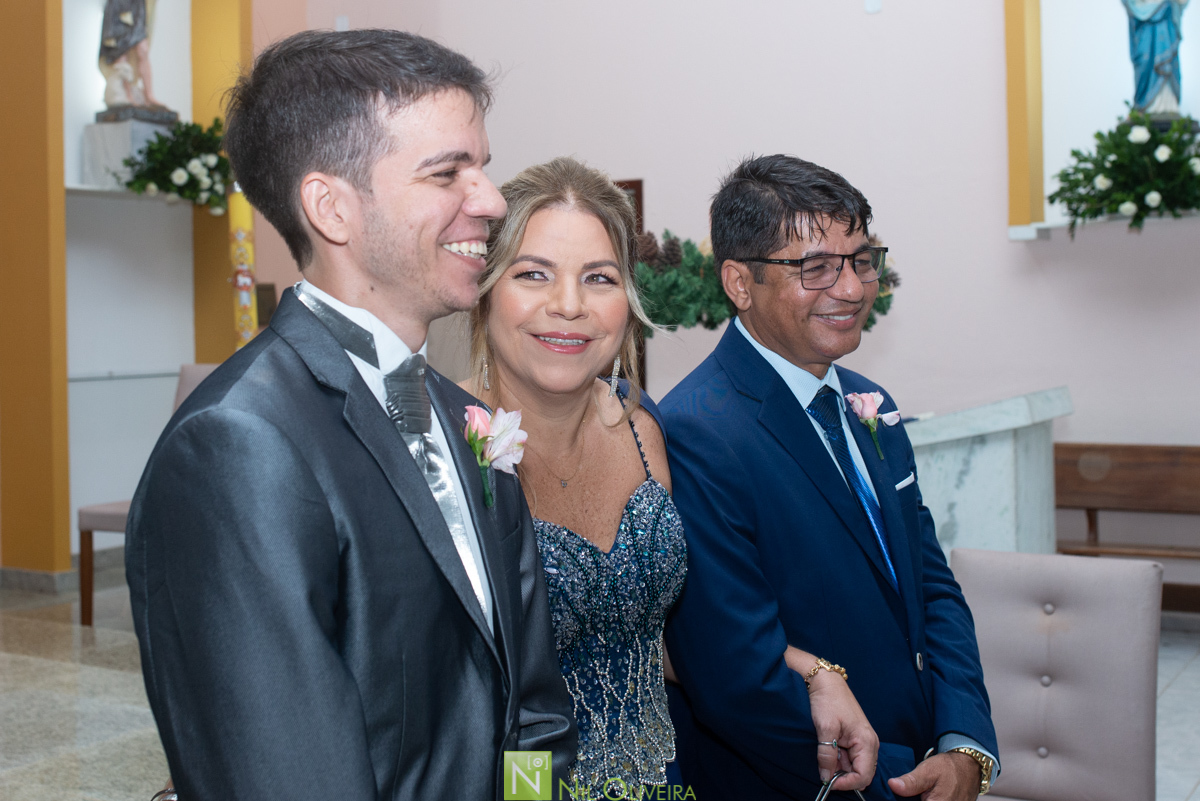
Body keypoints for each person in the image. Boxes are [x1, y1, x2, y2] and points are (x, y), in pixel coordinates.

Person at [124, 30, 576, 800]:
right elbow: (289, 773)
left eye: (484, 167)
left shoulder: (467, 417)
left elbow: (527, 707)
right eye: (448, 173)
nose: (493, 201)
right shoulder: (241, 445)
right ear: (331, 207)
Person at [661, 154, 999, 801]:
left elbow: (931, 587)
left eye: (862, 260)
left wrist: (964, 745)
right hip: (812, 783)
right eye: (814, 267)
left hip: (923, 754)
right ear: (739, 281)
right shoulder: (697, 431)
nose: (850, 289)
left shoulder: (872, 403)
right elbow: (739, 676)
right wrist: (896, 784)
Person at [461, 157, 685, 798]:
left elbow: (666, 639)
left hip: (666, 778)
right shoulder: (443, 450)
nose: (568, 306)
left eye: (599, 278)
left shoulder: (644, 434)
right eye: (533, 274)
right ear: (483, 287)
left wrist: (807, 671)